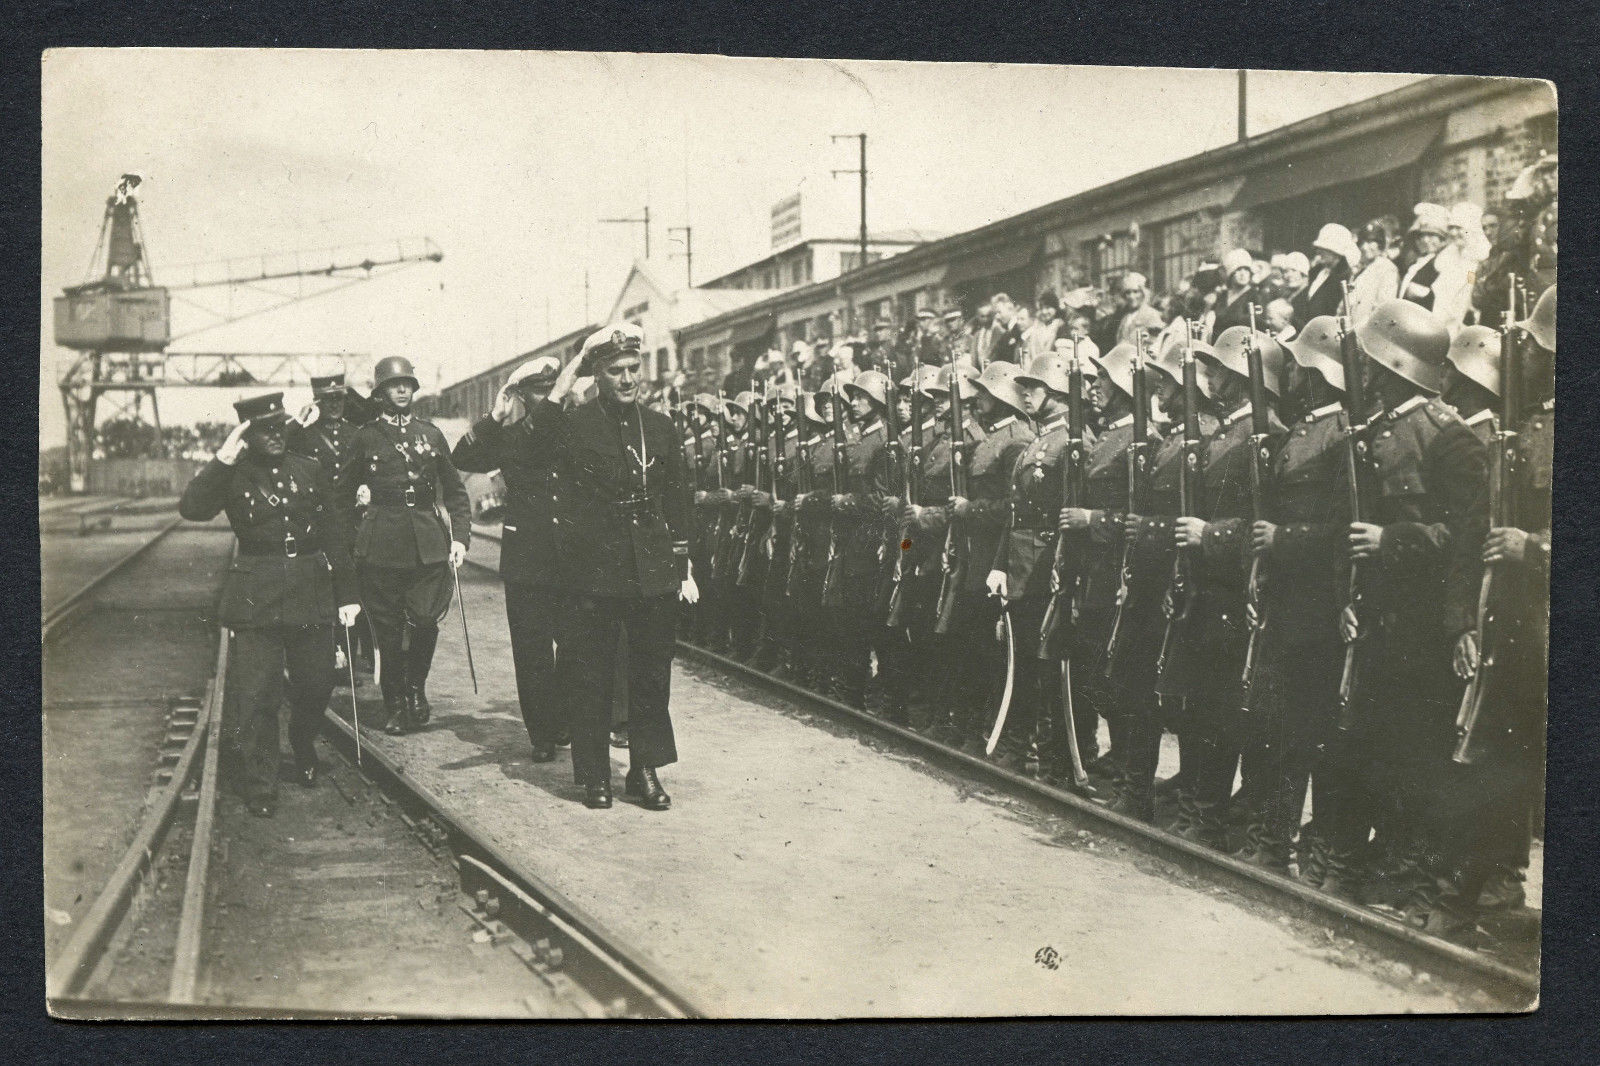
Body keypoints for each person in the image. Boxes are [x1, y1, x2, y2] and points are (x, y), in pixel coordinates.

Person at [1330, 300, 1486, 925]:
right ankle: (1386, 866)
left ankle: (1417, 881)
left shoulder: (1449, 437)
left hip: (1423, 627)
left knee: (1418, 756)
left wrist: (1391, 542)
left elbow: (1466, 537)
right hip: (1377, 618)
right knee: (1378, 748)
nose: (1362, 374)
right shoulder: (1374, 433)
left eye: (1370, 363)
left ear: (1393, 367)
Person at [538, 324, 698, 810]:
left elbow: (679, 499)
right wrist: (570, 373)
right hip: (595, 569)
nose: (628, 379)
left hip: (652, 567)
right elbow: (539, 432)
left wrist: (683, 566)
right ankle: (594, 776)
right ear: (597, 375)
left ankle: (643, 769)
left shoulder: (662, 427)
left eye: (633, 369)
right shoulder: (575, 424)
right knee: (593, 673)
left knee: (651, 673)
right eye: (615, 371)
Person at [179, 392, 360, 816]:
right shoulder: (231, 474)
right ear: (248, 435)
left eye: (280, 426)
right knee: (258, 695)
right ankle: (262, 782)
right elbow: (192, 508)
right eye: (264, 430)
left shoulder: (309, 469)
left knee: (317, 684)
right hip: (255, 594)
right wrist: (222, 459)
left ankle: (301, 741)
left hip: (311, 588)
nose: (275, 436)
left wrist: (348, 594)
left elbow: (334, 533)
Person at [1164, 326, 1289, 849]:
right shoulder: (1223, 434)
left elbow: (1265, 523)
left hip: (1239, 594)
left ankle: (1227, 820)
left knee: (1232, 714)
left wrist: (1210, 535)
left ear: (1242, 376)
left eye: (1217, 368)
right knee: (1203, 711)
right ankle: (1205, 813)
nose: (1207, 377)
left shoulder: (1265, 437)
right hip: (1206, 591)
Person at [450, 354, 570, 761]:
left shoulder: (574, 429)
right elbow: (461, 459)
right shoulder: (509, 436)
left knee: (575, 642)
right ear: (521, 394)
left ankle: (564, 718)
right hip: (528, 556)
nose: (549, 396)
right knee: (532, 648)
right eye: (539, 389)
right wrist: (494, 417)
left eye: (553, 388)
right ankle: (543, 733)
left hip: (573, 553)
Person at [344, 356, 471, 735]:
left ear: (414, 390)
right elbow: (340, 496)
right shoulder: (364, 437)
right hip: (381, 542)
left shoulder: (431, 435)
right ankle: (395, 702)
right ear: (380, 393)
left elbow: (456, 491)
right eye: (392, 385)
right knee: (386, 628)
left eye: (407, 384)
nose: (401, 390)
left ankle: (416, 687)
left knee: (426, 620)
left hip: (427, 542)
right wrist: (353, 531)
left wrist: (461, 537)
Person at [1398, 203, 1454, 315]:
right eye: (1423, 235)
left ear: (1443, 241)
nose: (1426, 240)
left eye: (1432, 235)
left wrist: (1423, 295)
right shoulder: (1416, 262)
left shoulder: (1441, 264)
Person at [1299, 224, 1358, 325]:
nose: (1318, 252)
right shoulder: (1316, 272)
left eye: (1323, 248)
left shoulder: (1344, 279)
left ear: (1336, 251)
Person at [1349, 221, 1400, 326]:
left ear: (1380, 244)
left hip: (1368, 331)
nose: (1364, 247)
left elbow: (1383, 308)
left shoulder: (1387, 269)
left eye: (1370, 242)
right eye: (1362, 242)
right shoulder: (1361, 268)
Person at [1210, 249, 1260, 341]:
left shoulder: (1255, 296)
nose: (1243, 274)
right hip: (1220, 345)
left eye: (1246, 270)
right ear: (1231, 273)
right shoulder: (1222, 296)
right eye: (1238, 270)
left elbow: (1258, 325)